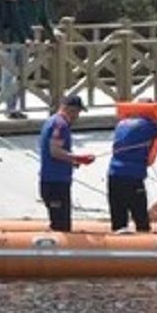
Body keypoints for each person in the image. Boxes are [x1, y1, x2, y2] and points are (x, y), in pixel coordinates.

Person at [37, 95, 93, 232]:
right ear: (68, 109)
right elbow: (55, 152)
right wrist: (79, 158)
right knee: (61, 226)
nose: (77, 116)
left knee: (59, 222)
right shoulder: (60, 125)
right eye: (76, 112)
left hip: (51, 179)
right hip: (56, 182)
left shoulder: (51, 121)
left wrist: (71, 161)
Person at [10, 0, 56, 117]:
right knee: (10, 73)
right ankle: (8, 108)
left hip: (27, 41)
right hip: (12, 39)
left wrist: (54, 37)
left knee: (22, 74)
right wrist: (25, 38)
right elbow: (16, 20)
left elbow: (44, 20)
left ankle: (16, 107)